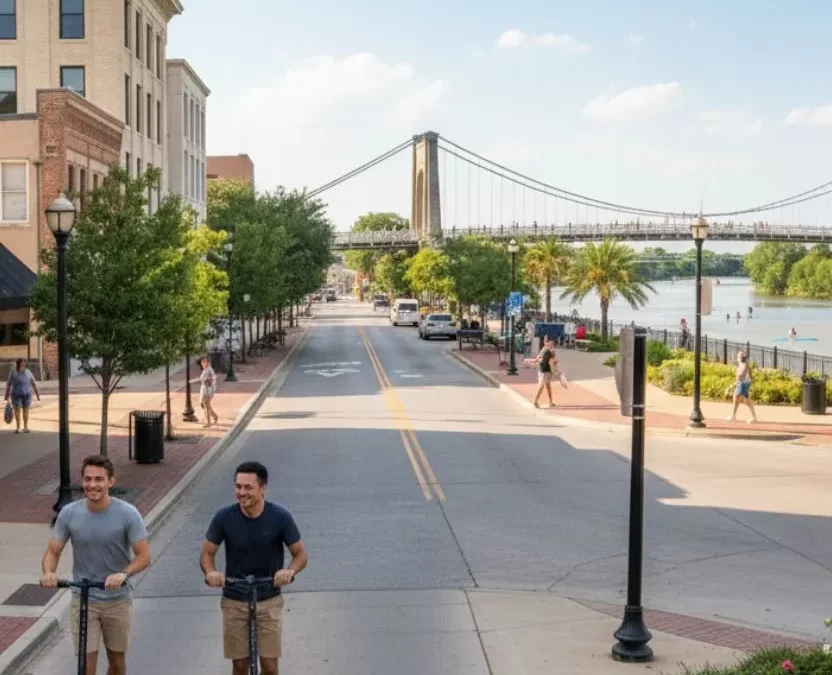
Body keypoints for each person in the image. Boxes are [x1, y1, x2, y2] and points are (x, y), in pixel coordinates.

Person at [40, 455, 151, 675]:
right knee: (86, 665)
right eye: (88, 479)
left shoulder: (127, 514)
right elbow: (53, 551)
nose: (92, 485)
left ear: (111, 482)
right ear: (82, 481)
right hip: (84, 599)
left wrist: (123, 574)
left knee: (117, 662)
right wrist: (49, 573)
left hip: (117, 599)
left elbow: (144, 556)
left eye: (99, 479)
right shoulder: (69, 513)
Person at [201, 461, 308, 675]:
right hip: (235, 597)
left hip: (268, 598)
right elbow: (207, 553)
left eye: (248, 487)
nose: (241, 492)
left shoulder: (280, 517)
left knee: (269, 665)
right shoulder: (224, 517)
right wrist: (211, 572)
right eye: (238, 486)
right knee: (239, 665)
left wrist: (289, 571)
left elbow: (301, 555)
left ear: (262, 488)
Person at [4, 358, 40, 433]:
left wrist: (37, 394)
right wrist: (6, 396)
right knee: (17, 410)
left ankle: (25, 427)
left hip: (27, 394)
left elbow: (33, 382)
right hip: (16, 394)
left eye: (24, 365)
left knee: (26, 410)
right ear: (18, 365)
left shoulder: (28, 372)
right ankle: (18, 428)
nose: (23, 367)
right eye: (22, 365)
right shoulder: (13, 372)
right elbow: (9, 384)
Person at [726, 351, 758, 423]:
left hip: (743, 384)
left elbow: (742, 376)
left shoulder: (744, 365)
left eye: (741, 357)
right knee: (737, 398)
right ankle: (733, 416)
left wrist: (740, 378)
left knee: (745, 400)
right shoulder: (743, 365)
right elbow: (748, 375)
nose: (739, 358)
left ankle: (754, 417)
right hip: (742, 384)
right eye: (739, 357)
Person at [533, 335, 557, 408]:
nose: (552, 346)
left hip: (544, 370)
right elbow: (553, 362)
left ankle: (551, 401)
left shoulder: (545, 349)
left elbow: (538, 357)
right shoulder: (550, 351)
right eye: (551, 345)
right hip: (544, 370)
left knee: (548, 386)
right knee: (541, 386)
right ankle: (535, 401)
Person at [199, 355, 219, 428]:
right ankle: (215, 416)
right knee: (204, 405)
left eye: (204, 362)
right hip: (205, 390)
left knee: (206, 405)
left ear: (207, 362)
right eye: (202, 362)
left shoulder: (208, 370)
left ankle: (208, 422)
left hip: (208, 390)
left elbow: (210, 381)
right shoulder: (205, 370)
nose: (203, 363)